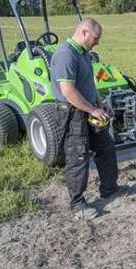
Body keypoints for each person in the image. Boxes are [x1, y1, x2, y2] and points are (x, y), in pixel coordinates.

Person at [49, 18, 119, 220]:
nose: (97, 43)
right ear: (84, 33)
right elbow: (68, 91)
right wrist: (92, 110)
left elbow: (89, 84)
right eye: (95, 38)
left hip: (89, 109)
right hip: (73, 114)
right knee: (78, 157)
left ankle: (109, 188)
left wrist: (100, 103)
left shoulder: (84, 54)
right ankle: (78, 204)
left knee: (106, 147)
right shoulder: (65, 55)